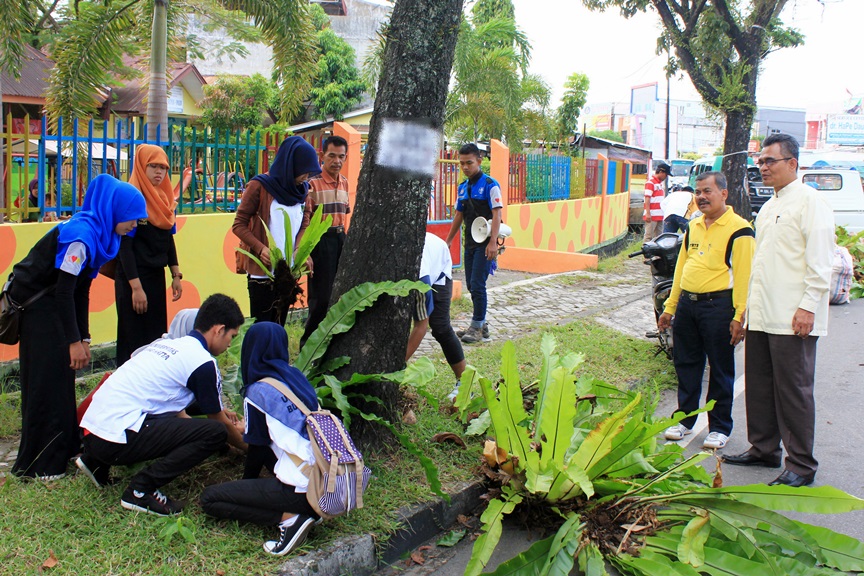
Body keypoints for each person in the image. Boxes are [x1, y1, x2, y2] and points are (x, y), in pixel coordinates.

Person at [8, 174, 147, 480]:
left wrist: (83, 337)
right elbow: (63, 291)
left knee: (62, 380)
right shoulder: (81, 237)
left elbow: (81, 290)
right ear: (116, 210)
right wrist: (72, 341)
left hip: (55, 306)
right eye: (132, 219)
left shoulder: (102, 236)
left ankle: (66, 449)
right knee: (48, 382)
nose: (134, 226)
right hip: (39, 309)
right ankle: (40, 465)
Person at [722, 133, 834, 488]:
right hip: (763, 314)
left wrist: (808, 306)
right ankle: (764, 449)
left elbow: (821, 261)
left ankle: (801, 463)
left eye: (770, 161)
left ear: (793, 164)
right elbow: (760, 267)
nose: (763, 167)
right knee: (759, 385)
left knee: (794, 391)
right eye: (760, 161)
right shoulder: (770, 206)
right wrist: (744, 314)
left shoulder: (810, 202)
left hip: (793, 317)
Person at [77, 294, 247, 516]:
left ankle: (95, 464)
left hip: (91, 432)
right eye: (231, 336)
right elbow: (219, 424)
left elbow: (168, 399)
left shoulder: (167, 346)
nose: (229, 344)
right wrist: (246, 447)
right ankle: (141, 490)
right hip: (111, 442)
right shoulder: (203, 362)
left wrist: (220, 411)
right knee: (213, 433)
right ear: (219, 329)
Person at [200, 322, 320, 556]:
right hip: (323, 476)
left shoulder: (257, 391)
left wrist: (247, 484)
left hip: (301, 490)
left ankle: (291, 519)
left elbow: (256, 449)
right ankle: (301, 512)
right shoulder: (296, 378)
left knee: (210, 499)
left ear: (251, 350)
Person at [657, 171, 754, 450]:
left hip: (719, 307)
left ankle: (719, 426)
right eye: (698, 192)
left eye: (707, 191)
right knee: (686, 364)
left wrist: (738, 316)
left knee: (721, 369)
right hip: (688, 305)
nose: (701, 197)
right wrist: (670, 307)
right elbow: (681, 270)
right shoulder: (693, 226)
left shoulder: (740, 230)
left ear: (724, 193)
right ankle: (685, 420)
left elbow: (745, 277)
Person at [233, 136, 322, 325]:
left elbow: (305, 222)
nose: (306, 177)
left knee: (279, 326)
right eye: (303, 171)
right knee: (262, 326)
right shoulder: (259, 186)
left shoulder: (303, 190)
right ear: (291, 165)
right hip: (262, 274)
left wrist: (299, 250)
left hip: (288, 273)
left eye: (309, 172)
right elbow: (238, 224)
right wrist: (260, 248)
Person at [114, 144, 183, 366]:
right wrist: (135, 288)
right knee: (133, 336)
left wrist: (175, 274)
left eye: (163, 167)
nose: (159, 172)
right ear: (141, 166)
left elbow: (168, 238)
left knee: (155, 334)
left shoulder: (165, 199)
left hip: (155, 276)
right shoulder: (132, 198)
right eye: (153, 166)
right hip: (132, 276)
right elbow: (124, 247)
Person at [445, 143, 503, 344]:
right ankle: (482, 324)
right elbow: (459, 216)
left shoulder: (489, 184)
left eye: (469, 162)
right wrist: (449, 240)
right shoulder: (463, 188)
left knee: (478, 284)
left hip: (485, 243)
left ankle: (477, 326)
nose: (465, 167)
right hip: (469, 243)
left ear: (479, 160)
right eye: (461, 163)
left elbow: (497, 214)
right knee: (471, 284)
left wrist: (493, 243)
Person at [297, 135, 351, 348]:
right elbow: (305, 220)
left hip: (340, 239)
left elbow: (344, 215)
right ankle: (308, 346)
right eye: (332, 156)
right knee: (321, 298)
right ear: (322, 156)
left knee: (340, 295)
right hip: (321, 241)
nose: (337, 161)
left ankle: (331, 345)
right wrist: (305, 250)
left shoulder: (345, 183)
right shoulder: (312, 183)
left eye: (341, 157)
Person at [405, 233, 466, 399]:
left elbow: (421, 326)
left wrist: (398, 364)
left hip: (438, 268)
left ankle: (465, 383)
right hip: (425, 255)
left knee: (440, 327)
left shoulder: (421, 278)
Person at [643, 162, 670, 242]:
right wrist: (648, 213)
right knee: (649, 236)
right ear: (661, 172)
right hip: (652, 215)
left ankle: (657, 254)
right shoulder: (650, 183)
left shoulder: (659, 184)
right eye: (666, 174)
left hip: (660, 214)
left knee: (659, 237)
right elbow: (647, 198)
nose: (666, 177)